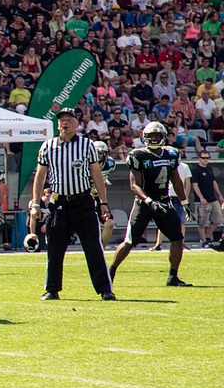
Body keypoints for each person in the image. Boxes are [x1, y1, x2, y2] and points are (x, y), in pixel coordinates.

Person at [31, 108, 114, 301]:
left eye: (69, 120)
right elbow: (40, 176)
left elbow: (96, 174)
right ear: (57, 125)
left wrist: (103, 202)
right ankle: (52, 289)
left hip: (83, 201)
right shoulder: (48, 146)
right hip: (59, 203)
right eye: (61, 121)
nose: (65, 123)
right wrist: (35, 203)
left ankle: (105, 289)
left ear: (76, 124)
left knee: (93, 247)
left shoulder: (87, 145)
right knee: (55, 248)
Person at [108, 122, 191, 287]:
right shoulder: (138, 155)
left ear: (163, 137)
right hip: (144, 202)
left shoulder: (171, 154)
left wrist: (184, 202)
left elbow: (176, 180)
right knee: (130, 241)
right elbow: (134, 185)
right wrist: (149, 201)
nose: (154, 139)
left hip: (164, 201)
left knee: (177, 239)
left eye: (157, 136)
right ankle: (109, 273)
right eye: (151, 136)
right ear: (144, 137)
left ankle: (172, 276)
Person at [190, 151, 222, 246]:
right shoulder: (195, 170)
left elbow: (213, 182)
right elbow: (195, 185)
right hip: (202, 201)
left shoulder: (209, 168)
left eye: (207, 158)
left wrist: (219, 195)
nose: (205, 160)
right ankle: (203, 240)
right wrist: (201, 198)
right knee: (202, 222)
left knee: (217, 220)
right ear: (199, 158)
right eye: (203, 158)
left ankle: (207, 237)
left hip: (213, 199)